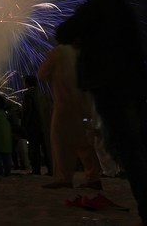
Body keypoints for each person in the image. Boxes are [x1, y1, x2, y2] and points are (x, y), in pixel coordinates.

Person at [56, 0, 147, 225]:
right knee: (133, 150)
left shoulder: (96, 7)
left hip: (111, 89)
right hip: (131, 88)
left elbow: (63, 33)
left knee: (126, 150)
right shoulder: (121, 6)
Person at [38, 43, 101, 189]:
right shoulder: (83, 52)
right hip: (85, 104)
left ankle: (63, 178)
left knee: (59, 142)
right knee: (84, 142)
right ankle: (93, 178)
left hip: (64, 105)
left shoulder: (57, 52)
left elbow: (42, 73)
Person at [22, 74, 53, 176]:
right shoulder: (43, 94)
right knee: (47, 149)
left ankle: (36, 170)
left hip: (34, 126)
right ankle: (51, 169)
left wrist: (24, 124)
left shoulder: (28, 94)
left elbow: (28, 110)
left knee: (34, 149)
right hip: (45, 126)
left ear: (26, 83)